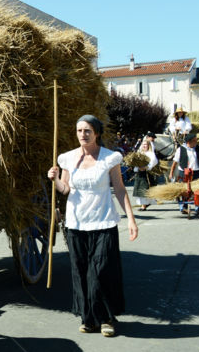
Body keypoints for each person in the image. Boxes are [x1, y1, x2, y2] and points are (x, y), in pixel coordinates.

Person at [48, 115, 138, 338]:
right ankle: (88, 318)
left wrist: (131, 219)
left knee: (101, 271)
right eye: (79, 131)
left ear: (97, 133)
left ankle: (107, 318)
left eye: (87, 130)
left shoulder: (110, 158)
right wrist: (55, 179)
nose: (82, 135)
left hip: (104, 221)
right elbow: (65, 189)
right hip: (76, 223)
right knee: (80, 272)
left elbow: (119, 189)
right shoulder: (68, 158)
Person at [168, 132, 199, 215]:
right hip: (184, 172)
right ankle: (183, 206)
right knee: (184, 191)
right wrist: (171, 173)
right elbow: (175, 162)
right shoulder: (181, 149)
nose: (196, 142)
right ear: (189, 142)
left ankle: (198, 207)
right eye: (194, 141)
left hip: (197, 172)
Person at [132, 140, 158, 211]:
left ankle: (144, 205)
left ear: (148, 146)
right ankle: (144, 204)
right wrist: (138, 167)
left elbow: (154, 162)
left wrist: (146, 167)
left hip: (147, 174)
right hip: (139, 173)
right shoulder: (139, 153)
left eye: (145, 145)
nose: (144, 146)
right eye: (143, 144)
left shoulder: (151, 154)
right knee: (140, 189)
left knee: (145, 188)